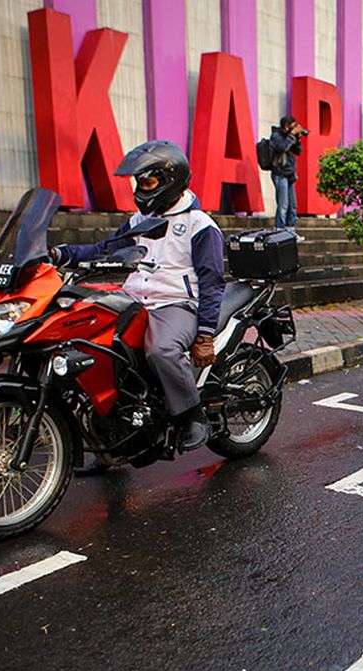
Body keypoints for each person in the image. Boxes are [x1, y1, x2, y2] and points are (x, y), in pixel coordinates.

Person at [53, 141, 225, 451]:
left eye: (148, 182)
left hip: (175, 304)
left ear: (169, 180)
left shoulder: (199, 225)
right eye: (139, 182)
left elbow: (212, 283)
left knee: (161, 351)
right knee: (97, 346)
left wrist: (205, 335)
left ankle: (191, 414)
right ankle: (111, 427)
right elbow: (104, 250)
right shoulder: (138, 221)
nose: (141, 189)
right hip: (133, 302)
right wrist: (62, 254)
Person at [269, 115, 308, 241]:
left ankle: (291, 233)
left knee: (293, 205)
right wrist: (292, 135)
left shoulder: (290, 137)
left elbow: (298, 151)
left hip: (290, 174)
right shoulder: (276, 136)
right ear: (287, 125)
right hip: (280, 174)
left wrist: (298, 138)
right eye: (293, 125)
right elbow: (282, 147)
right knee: (283, 205)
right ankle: (279, 231)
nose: (295, 127)